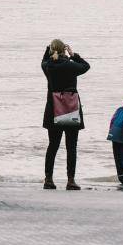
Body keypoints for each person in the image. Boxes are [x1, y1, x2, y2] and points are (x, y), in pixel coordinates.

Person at [41, 39, 90, 190]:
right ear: (64, 51)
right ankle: (70, 180)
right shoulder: (71, 65)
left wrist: (48, 49)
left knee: (53, 146)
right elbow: (86, 66)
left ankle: (48, 179)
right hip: (71, 109)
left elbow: (43, 61)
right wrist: (74, 54)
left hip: (53, 111)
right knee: (71, 147)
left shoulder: (49, 66)